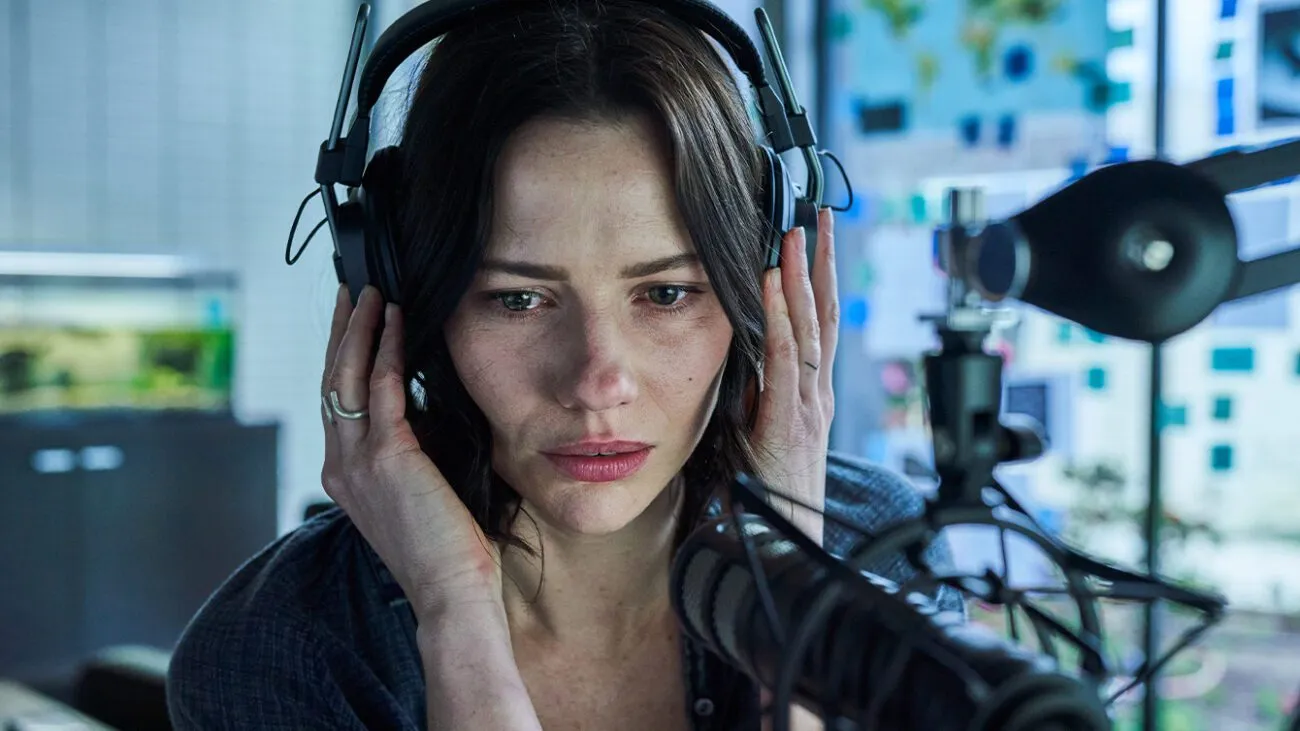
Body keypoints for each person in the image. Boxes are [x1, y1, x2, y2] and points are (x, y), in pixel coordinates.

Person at [166, 1, 964, 729]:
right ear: (409, 294)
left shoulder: (877, 545)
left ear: (764, 289)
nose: (597, 382)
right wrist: (455, 617)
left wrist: (790, 578)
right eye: (518, 299)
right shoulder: (275, 649)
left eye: (665, 292)